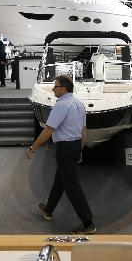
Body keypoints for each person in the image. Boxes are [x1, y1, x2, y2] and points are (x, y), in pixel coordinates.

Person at [26, 75, 95, 234]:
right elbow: (84, 130)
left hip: (65, 148)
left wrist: (33, 147)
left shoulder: (62, 105)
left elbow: (49, 130)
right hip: (76, 145)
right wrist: (80, 150)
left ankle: (88, 223)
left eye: (55, 86)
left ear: (63, 89)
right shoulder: (78, 103)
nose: (53, 89)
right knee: (61, 179)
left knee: (72, 186)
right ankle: (48, 210)